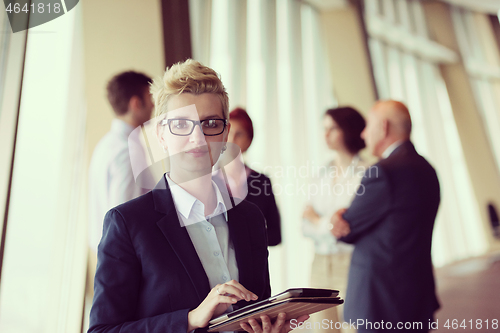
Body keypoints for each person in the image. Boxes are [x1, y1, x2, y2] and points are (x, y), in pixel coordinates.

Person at [88, 59, 308, 333]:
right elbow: (103, 330)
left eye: (211, 123)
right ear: (161, 134)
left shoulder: (250, 217)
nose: (198, 138)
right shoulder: (127, 224)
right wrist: (190, 319)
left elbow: (255, 311)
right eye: (181, 124)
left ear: (226, 133)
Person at [331, 100, 440, 332]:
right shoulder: (427, 169)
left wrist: (339, 217)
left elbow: (346, 228)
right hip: (417, 295)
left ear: (383, 127)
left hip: (381, 302)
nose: (363, 133)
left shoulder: (384, 171)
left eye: (367, 125)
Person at [302, 107, 367, 333]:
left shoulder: (367, 173)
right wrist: (331, 223)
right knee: (322, 330)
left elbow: (355, 225)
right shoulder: (321, 173)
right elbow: (304, 225)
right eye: (324, 129)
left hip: (352, 263)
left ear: (348, 130)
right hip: (320, 264)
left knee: (353, 329)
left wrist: (319, 220)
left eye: (333, 128)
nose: (326, 135)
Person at [88, 71, 154, 255]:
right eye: (150, 99)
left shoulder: (105, 145)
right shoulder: (128, 151)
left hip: (109, 253)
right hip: (125, 257)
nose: (153, 106)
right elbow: (125, 217)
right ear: (135, 103)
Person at [226, 107, 282, 246]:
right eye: (229, 133)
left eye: (239, 134)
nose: (232, 139)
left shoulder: (262, 182)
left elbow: (276, 235)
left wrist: (249, 237)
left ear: (249, 140)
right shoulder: (207, 180)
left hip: (252, 265)